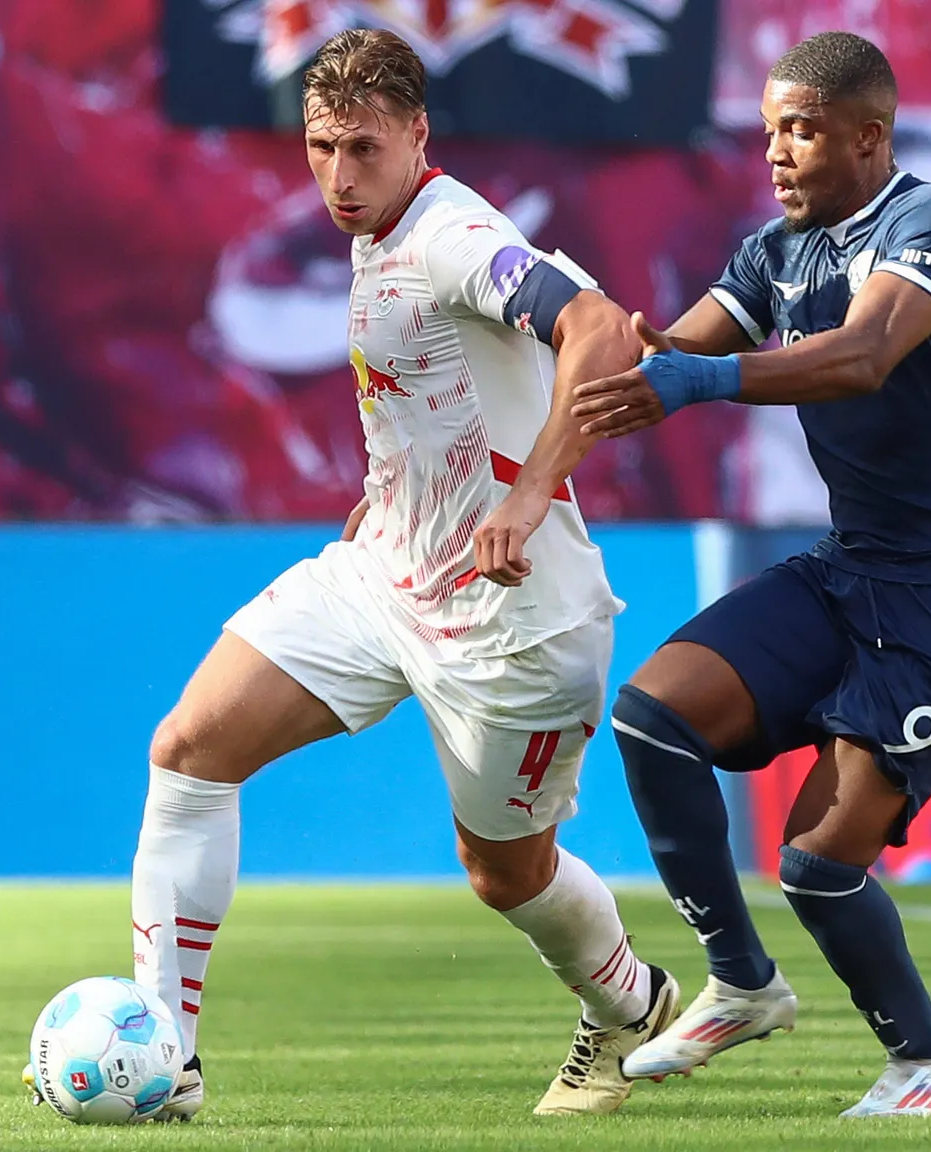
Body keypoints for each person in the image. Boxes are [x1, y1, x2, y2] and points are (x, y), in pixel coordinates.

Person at [105, 28, 678, 1120]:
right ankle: (160, 1061)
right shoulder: (375, 233)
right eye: (320, 147)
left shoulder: (456, 235)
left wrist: (523, 495)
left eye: (363, 149)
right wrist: (399, 491)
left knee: (502, 874)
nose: (337, 175)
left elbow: (600, 330)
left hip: (513, 624)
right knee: (187, 750)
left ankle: (627, 1005)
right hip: (385, 578)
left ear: (419, 134)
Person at [570, 31, 931, 1118]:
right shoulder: (771, 254)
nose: (777, 152)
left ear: (867, 138)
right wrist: (526, 441)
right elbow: (657, 363)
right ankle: (739, 980)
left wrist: (701, 379)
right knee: (651, 715)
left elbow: (865, 352)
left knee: (816, 866)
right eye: (771, 128)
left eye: (802, 130)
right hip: (851, 568)